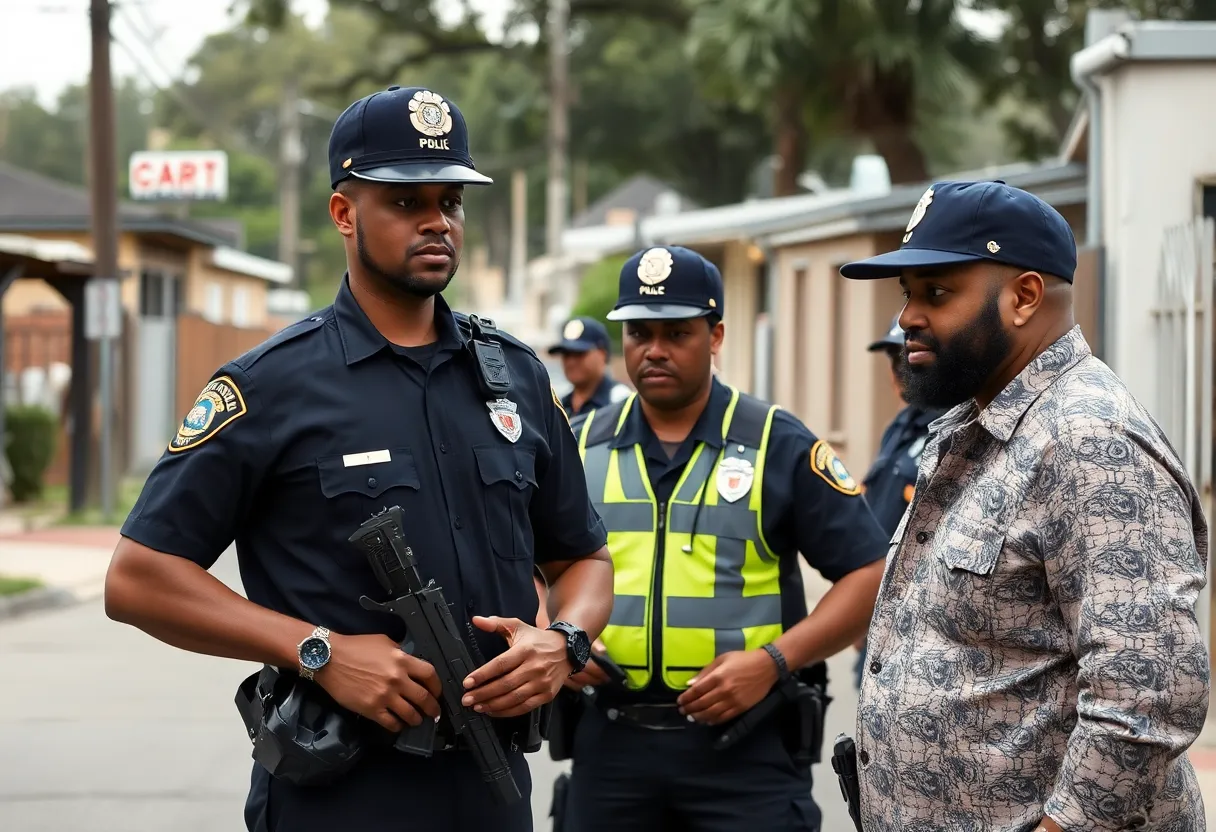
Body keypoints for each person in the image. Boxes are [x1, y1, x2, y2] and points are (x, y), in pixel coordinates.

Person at [103, 84, 615, 832]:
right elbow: (137, 578)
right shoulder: (271, 385)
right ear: (344, 213)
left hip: (493, 790)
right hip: (338, 793)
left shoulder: (515, 376)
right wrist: (317, 650)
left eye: (451, 202)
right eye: (407, 202)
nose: (438, 221)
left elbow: (584, 560)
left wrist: (563, 643)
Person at [840, 180, 1209, 831]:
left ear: (1025, 296)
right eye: (907, 294)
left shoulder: (1086, 437)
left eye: (937, 293)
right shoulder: (974, 424)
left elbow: (1148, 689)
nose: (908, 318)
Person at [560, 244, 888, 832]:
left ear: (716, 336)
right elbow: (522, 562)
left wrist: (772, 662)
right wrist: (557, 634)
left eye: (676, 333)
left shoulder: (776, 443)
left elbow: (869, 575)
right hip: (610, 744)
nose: (654, 350)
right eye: (639, 333)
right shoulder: (578, 445)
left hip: (744, 751)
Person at [851, 315, 944, 689]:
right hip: (876, 613)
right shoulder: (900, 425)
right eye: (892, 359)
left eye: (906, 356)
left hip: (919, 628)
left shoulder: (952, 427)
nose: (899, 368)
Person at [547, 315, 631, 418]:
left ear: (602, 354)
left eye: (579, 354)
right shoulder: (559, 405)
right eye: (566, 354)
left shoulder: (620, 400)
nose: (571, 362)